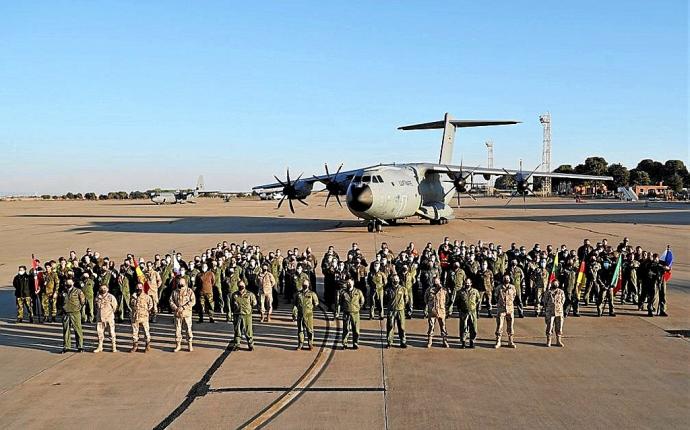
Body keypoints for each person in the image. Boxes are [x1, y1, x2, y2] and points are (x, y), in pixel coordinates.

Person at [336, 279, 365, 349]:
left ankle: (355, 343)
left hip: (355, 313)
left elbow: (362, 301)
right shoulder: (343, 292)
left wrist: (357, 307)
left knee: (356, 330)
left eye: (350, 283)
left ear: (353, 283)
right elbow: (339, 302)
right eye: (348, 283)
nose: (349, 284)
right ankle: (344, 343)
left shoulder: (358, 292)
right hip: (346, 313)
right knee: (346, 329)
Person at [169, 278, 196, 352]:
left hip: (186, 314)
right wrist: (176, 308)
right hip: (177, 314)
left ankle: (189, 344)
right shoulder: (175, 292)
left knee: (188, 330)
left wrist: (183, 307)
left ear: (185, 283)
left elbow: (193, 301)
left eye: (182, 283)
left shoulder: (189, 291)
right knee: (178, 330)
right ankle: (178, 345)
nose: (180, 284)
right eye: (179, 283)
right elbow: (171, 301)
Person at [229, 281, 257, 351]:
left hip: (247, 315)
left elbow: (254, 303)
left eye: (242, 285)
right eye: (239, 285)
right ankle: (237, 344)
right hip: (237, 314)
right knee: (237, 330)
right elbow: (231, 304)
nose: (241, 287)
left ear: (245, 285)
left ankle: (250, 344)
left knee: (248, 330)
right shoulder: (234, 295)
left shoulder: (250, 294)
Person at [292, 279, 319, 350]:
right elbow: (295, 304)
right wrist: (294, 313)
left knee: (309, 330)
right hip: (300, 314)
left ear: (308, 285)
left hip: (309, 315)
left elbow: (316, 303)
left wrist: (310, 308)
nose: (304, 285)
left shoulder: (312, 294)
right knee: (300, 330)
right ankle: (300, 343)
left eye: (306, 284)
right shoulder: (298, 294)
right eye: (303, 284)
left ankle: (310, 343)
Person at [385, 275, 409, 348]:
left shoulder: (403, 289)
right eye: (394, 279)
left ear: (399, 280)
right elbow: (385, 299)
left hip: (400, 310)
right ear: (392, 280)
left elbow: (406, 299)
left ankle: (403, 342)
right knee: (390, 326)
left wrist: (402, 305)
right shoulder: (388, 289)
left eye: (397, 279)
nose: (395, 280)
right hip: (391, 310)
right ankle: (389, 342)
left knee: (401, 327)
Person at [424, 277, 449, 348]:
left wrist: (442, 306)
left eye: (437, 282)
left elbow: (447, 300)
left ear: (440, 282)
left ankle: (445, 341)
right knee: (431, 326)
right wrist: (430, 306)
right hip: (432, 311)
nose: (436, 283)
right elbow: (425, 299)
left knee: (443, 326)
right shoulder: (429, 290)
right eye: (434, 282)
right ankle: (429, 341)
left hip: (441, 311)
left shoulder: (444, 290)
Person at [61, 279, 85, 353]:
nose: (68, 284)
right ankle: (66, 346)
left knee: (78, 330)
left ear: (73, 283)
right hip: (66, 313)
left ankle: (80, 346)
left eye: (70, 282)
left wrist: (78, 309)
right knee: (66, 330)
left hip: (75, 313)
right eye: (67, 282)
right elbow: (60, 301)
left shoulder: (78, 291)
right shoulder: (63, 292)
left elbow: (83, 301)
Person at [457, 278, 480, 349]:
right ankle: (463, 342)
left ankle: (472, 341)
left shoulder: (475, 291)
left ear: (471, 283)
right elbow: (457, 302)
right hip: (464, 312)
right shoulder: (460, 292)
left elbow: (478, 301)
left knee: (473, 328)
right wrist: (460, 310)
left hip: (473, 312)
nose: (467, 284)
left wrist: (477, 310)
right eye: (466, 283)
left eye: (468, 283)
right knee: (463, 327)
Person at [130, 283, 154, 353]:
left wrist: (146, 311)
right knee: (134, 333)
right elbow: (130, 305)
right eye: (137, 287)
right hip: (135, 317)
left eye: (140, 287)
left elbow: (151, 305)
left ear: (142, 288)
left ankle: (147, 345)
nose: (139, 288)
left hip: (144, 317)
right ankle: (135, 346)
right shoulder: (133, 296)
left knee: (146, 332)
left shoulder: (146, 297)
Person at [94, 284, 118, 353]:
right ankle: (100, 346)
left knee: (111, 333)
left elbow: (115, 307)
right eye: (101, 288)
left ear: (107, 289)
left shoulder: (111, 297)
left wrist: (110, 313)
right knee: (100, 333)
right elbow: (96, 306)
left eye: (104, 288)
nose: (103, 290)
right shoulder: (97, 297)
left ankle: (114, 346)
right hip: (100, 318)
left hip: (109, 318)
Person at [494, 275, 517, 349]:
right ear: (503, 279)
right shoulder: (499, 288)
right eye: (505, 278)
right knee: (499, 326)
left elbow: (514, 295)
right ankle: (498, 341)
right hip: (501, 309)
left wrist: (509, 302)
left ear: (510, 279)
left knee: (510, 326)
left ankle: (510, 341)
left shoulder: (512, 287)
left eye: (508, 278)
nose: (506, 279)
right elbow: (496, 296)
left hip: (510, 309)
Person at [542, 280, 565, 347]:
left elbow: (563, 301)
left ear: (558, 284)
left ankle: (558, 341)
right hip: (550, 312)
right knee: (549, 327)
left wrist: (558, 306)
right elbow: (544, 301)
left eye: (556, 283)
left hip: (559, 312)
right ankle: (549, 341)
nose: (555, 284)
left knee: (559, 327)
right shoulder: (548, 292)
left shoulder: (561, 292)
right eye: (553, 283)